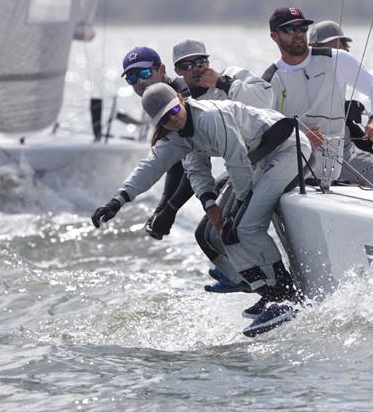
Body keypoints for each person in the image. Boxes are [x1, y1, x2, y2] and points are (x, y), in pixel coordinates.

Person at [91, 83, 311, 337]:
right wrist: (117, 201)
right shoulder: (177, 136)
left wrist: (236, 206)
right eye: (165, 118)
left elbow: (237, 161)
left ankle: (288, 297)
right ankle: (270, 293)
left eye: (173, 110)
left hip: (287, 148)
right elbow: (161, 167)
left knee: (245, 226)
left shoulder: (209, 117)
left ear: (180, 100)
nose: (172, 118)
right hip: (261, 159)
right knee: (224, 234)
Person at [170, 38, 275, 294]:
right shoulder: (183, 105)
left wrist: (221, 82)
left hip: (271, 155)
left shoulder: (230, 76)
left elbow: (266, 99)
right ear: (178, 71)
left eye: (201, 61)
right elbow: (194, 161)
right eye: (188, 64)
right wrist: (208, 202)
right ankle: (247, 281)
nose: (197, 68)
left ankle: (274, 289)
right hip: (244, 164)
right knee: (203, 235)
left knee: (232, 231)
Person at [263, 7, 373, 188]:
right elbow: (264, 134)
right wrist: (301, 139)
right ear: (274, 36)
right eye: (290, 30)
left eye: (302, 28)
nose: (298, 34)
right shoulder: (270, 80)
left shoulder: (337, 59)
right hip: (289, 178)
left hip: (330, 175)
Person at [308, 20, 373, 187]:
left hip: (345, 155)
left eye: (342, 46)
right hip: (314, 159)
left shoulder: (340, 62)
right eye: (334, 45)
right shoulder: (296, 71)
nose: (339, 51)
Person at [120, 47, 193, 240]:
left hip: (252, 156)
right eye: (132, 79)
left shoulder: (183, 97)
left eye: (144, 73)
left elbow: (195, 164)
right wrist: (161, 209)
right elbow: (175, 161)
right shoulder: (159, 97)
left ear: (162, 70)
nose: (140, 82)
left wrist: (169, 210)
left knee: (210, 234)